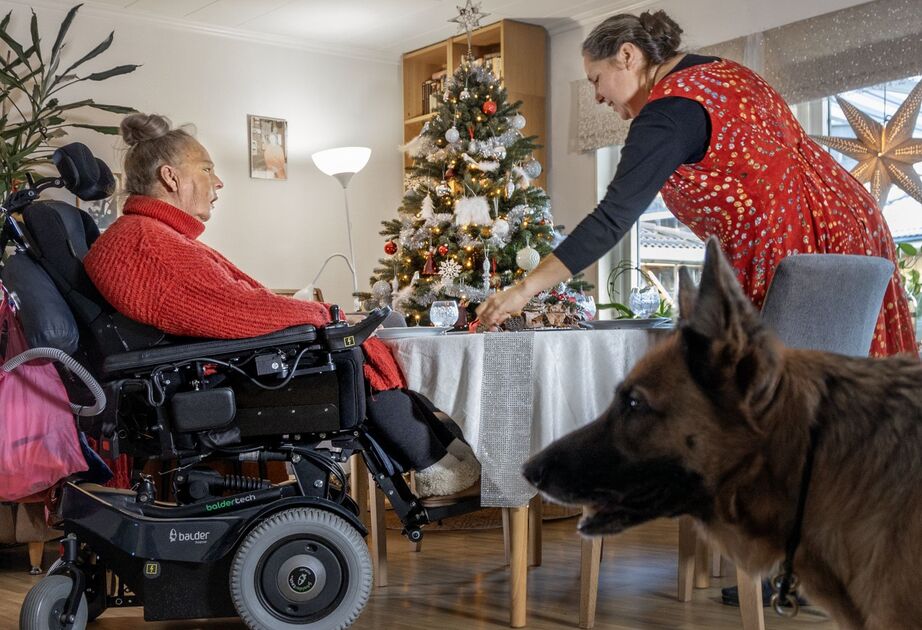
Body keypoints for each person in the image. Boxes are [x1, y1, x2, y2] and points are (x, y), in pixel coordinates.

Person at [477, 10, 916, 358]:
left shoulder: (666, 113)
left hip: (793, 252)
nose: (597, 96)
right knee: (847, 394)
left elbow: (612, 219)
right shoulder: (723, 72)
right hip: (853, 227)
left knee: (770, 400)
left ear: (627, 55)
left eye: (596, 80)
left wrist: (523, 290)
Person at [84, 113, 479, 499]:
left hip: (211, 369)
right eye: (206, 169)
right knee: (349, 352)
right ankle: (437, 467)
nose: (218, 182)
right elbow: (234, 311)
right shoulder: (147, 243)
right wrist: (326, 316)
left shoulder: (152, 235)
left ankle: (447, 455)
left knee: (351, 338)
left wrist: (329, 317)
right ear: (171, 177)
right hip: (212, 381)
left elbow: (231, 306)